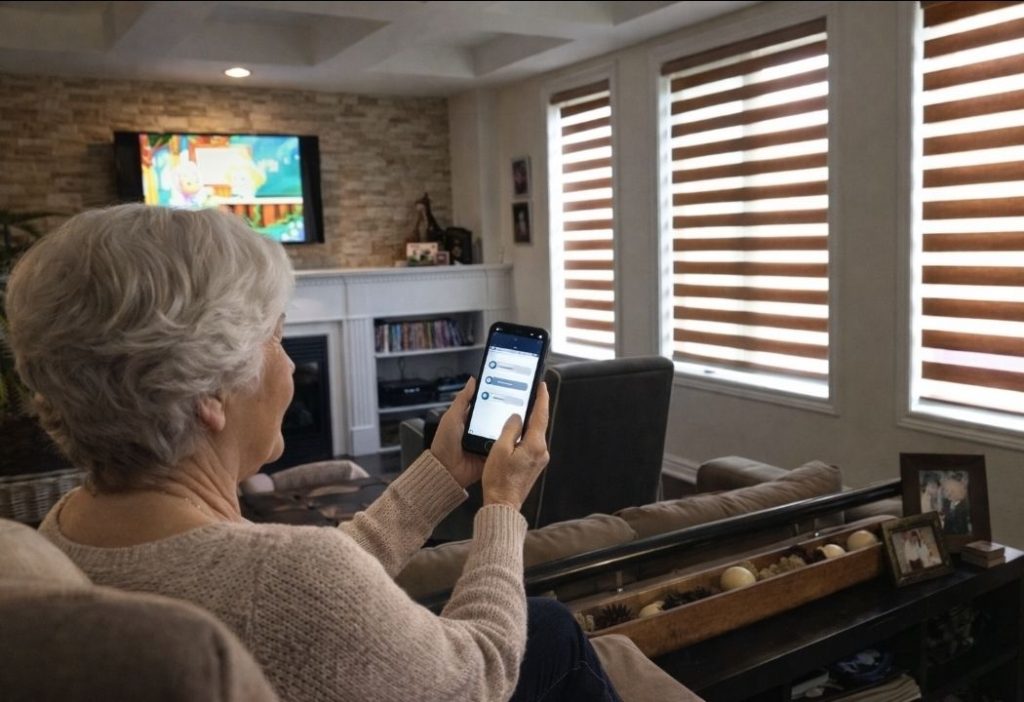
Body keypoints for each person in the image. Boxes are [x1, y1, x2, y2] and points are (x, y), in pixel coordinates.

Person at [5, 204, 622, 702]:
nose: (293, 361)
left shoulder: (60, 532)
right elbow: (483, 673)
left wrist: (440, 473)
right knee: (554, 631)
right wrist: (503, 503)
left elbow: (300, 587)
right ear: (212, 394)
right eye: (275, 336)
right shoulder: (288, 577)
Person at [941, 472, 971, 536]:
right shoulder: (946, 502)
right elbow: (944, 513)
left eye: (950, 491)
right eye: (946, 491)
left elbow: (963, 523)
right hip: (947, 532)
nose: (947, 494)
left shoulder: (964, 505)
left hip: (961, 533)